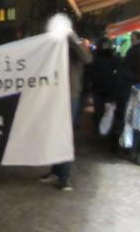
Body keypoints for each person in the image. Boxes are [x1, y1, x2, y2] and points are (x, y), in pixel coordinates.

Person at [39, 30, 92, 190]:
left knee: (64, 135)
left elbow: (87, 58)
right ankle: (56, 171)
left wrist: (72, 39)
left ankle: (64, 177)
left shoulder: (75, 48)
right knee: (55, 134)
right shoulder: (56, 47)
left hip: (70, 96)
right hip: (56, 94)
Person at [89, 36, 121, 137]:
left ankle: (104, 128)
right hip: (100, 86)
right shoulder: (99, 56)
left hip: (107, 87)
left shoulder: (110, 56)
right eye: (105, 44)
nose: (106, 46)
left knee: (106, 109)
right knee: (100, 109)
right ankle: (101, 128)